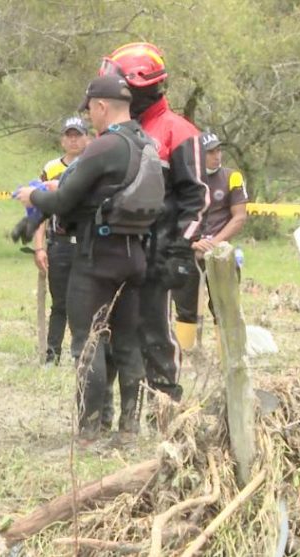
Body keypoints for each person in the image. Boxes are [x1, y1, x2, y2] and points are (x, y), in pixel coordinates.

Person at [15, 74, 164, 442]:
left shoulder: (104, 145)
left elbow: (64, 202)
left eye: (90, 111)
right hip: (135, 255)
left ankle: (89, 430)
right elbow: (101, 190)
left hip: (97, 257)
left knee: (88, 341)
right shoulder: (146, 142)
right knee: (127, 340)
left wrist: (31, 197)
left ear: (101, 107)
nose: (90, 119)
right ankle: (130, 428)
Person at [98, 42, 209, 403]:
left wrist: (180, 250)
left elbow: (197, 197)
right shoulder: (115, 130)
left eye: (121, 84)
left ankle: (163, 407)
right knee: (114, 332)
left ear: (139, 86)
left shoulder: (179, 131)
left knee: (154, 332)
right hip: (117, 251)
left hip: (159, 253)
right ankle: (119, 409)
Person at [171, 131, 248, 350]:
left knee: (224, 307)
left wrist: (214, 243)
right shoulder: (183, 180)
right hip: (189, 250)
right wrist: (192, 242)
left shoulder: (232, 176)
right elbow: (172, 216)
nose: (216, 156)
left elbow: (239, 217)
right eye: (210, 152)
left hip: (220, 251)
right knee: (185, 309)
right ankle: (184, 356)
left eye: (218, 150)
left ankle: (229, 358)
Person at [33, 116, 90, 364]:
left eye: (78, 134)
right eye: (69, 135)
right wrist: (39, 247)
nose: (74, 140)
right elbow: (40, 210)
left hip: (88, 242)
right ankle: (52, 354)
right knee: (60, 303)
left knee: (87, 301)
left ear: (87, 138)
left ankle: (86, 354)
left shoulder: (94, 165)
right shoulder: (51, 168)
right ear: (62, 139)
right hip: (60, 243)